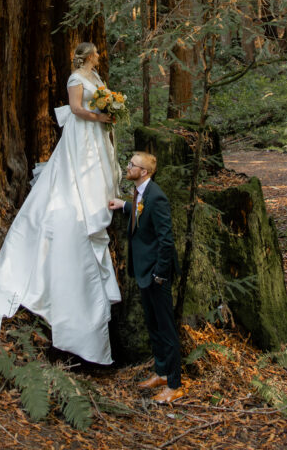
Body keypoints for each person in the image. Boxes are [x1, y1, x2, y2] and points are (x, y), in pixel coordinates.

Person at [0, 42, 121, 365]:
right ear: (87, 56)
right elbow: (75, 110)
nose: (99, 56)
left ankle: (102, 202)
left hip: (97, 134)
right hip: (83, 132)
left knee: (101, 169)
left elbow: (100, 99)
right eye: (95, 54)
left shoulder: (96, 76)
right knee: (75, 174)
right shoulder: (76, 78)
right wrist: (98, 116)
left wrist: (110, 111)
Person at [109, 151, 183, 404]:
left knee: (166, 329)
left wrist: (161, 275)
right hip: (144, 272)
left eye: (132, 164)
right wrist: (125, 206)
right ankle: (161, 372)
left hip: (156, 274)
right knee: (153, 325)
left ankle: (174, 384)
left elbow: (166, 240)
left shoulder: (157, 196)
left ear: (144, 172)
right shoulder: (141, 193)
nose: (128, 167)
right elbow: (143, 213)